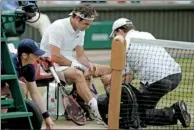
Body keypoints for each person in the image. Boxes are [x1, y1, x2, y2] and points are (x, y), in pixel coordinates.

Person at [101, 18, 191, 127]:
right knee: (141, 107)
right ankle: (174, 112)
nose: (115, 38)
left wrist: (108, 79)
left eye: (115, 34)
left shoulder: (122, 44)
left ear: (120, 31)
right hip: (176, 76)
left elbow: (125, 76)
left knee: (137, 115)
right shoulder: (147, 35)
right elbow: (130, 75)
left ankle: (174, 112)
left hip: (158, 82)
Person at [40, 4, 111, 121]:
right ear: (76, 18)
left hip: (67, 63)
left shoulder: (80, 30)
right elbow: (55, 57)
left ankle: (101, 107)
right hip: (49, 64)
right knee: (79, 73)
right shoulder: (58, 27)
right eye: (86, 24)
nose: (87, 27)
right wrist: (77, 66)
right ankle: (96, 109)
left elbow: (81, 55)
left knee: (104, 69)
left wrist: (89, 65)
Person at [8, 39, 54, 129]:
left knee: (20, 87)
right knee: (20, 87)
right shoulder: (12, 64)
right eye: (36, 54)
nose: (39, 57)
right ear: (24, 55)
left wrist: (46, 117)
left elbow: (35, 93)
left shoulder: (29, 67)